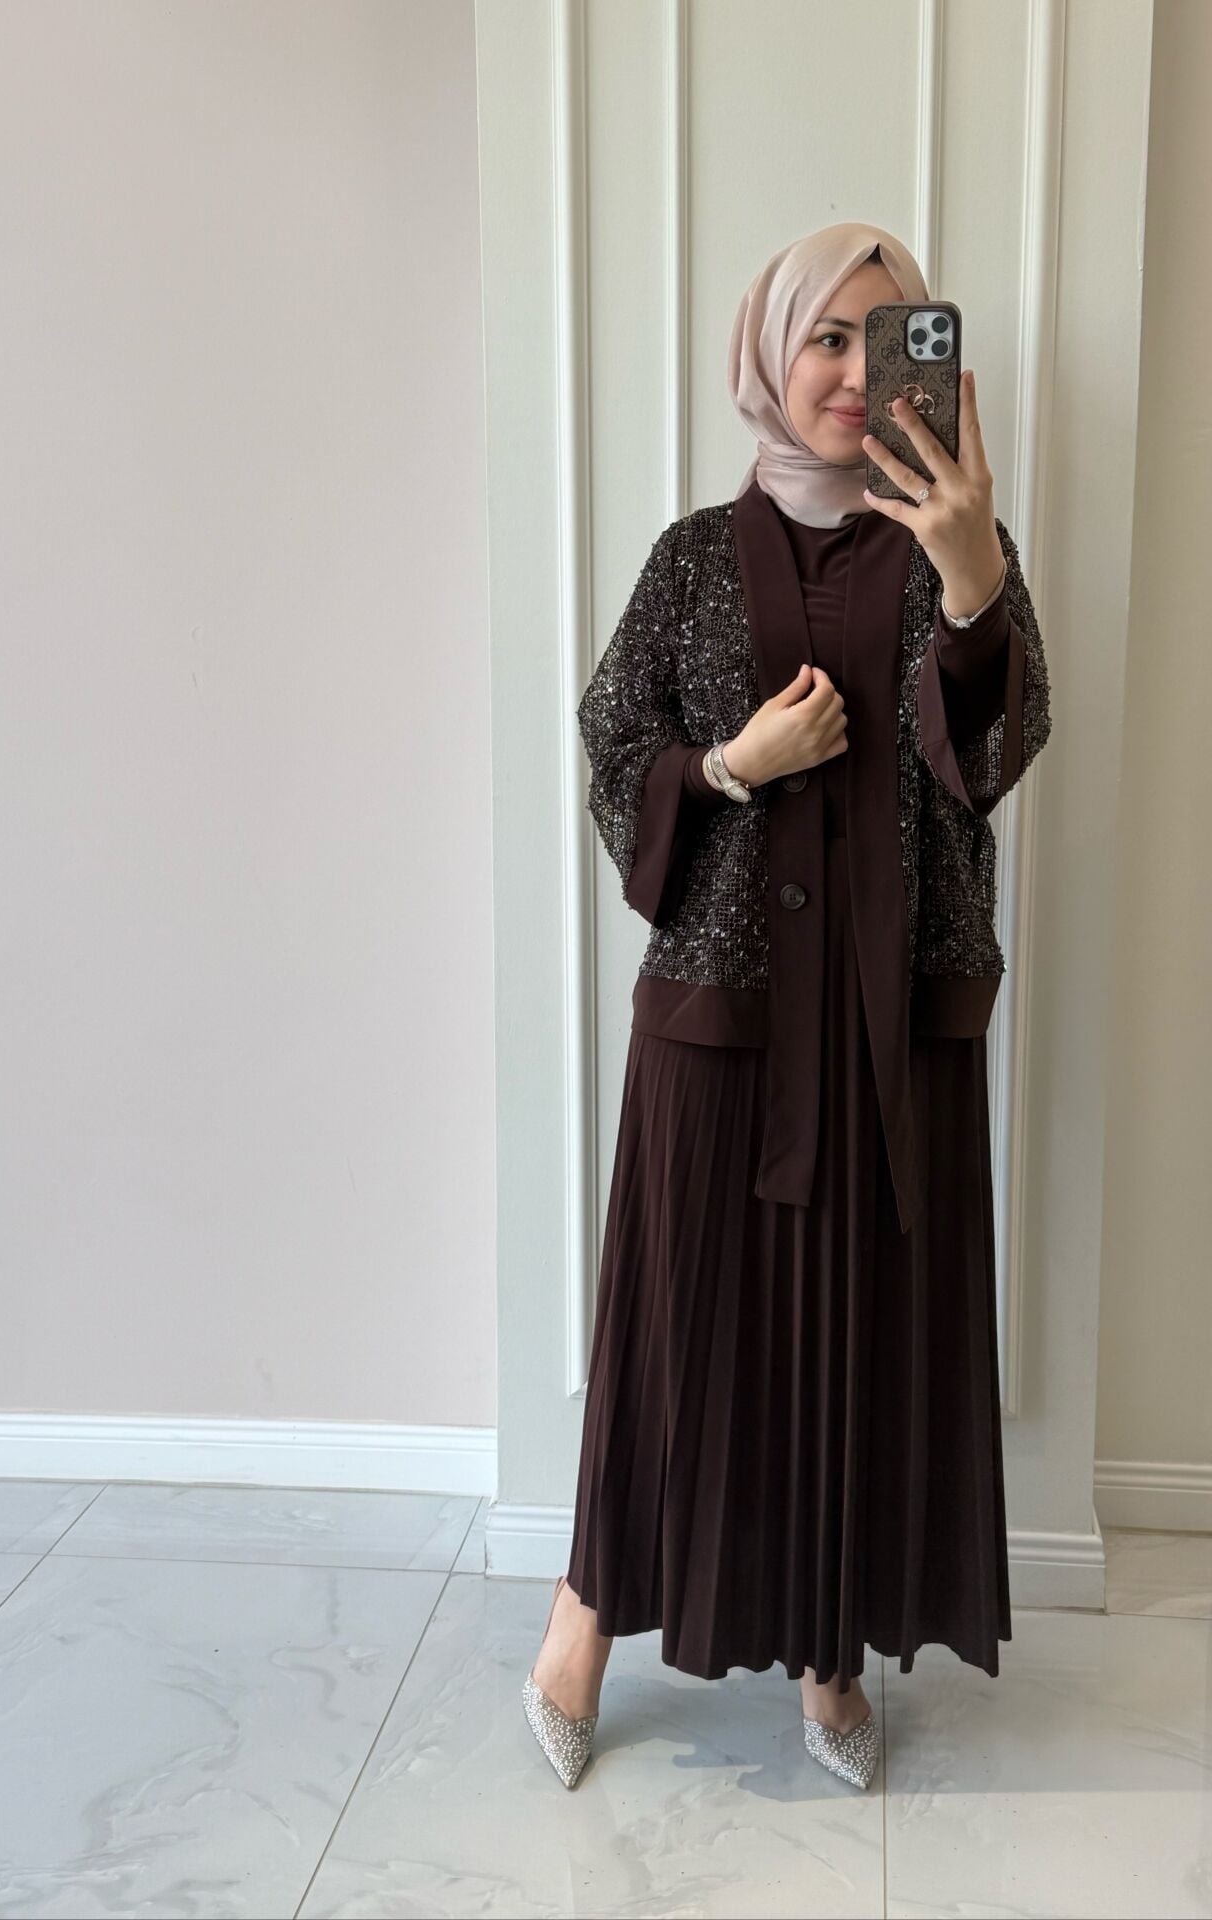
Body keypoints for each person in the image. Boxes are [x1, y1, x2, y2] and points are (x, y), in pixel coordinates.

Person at [522, 222, 1038, 1791]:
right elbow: (616, 743)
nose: (854, 373)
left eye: (890, 340)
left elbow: (997, 755)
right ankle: (581, 1621)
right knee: (674, 1337)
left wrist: (974, 581)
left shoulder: (957, 546)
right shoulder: (692, 555)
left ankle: (828, 1651)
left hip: (888, 1028)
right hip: (723, 1026)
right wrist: (732, 767)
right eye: (828, 336)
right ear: (771, 350)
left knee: (857, 1339)